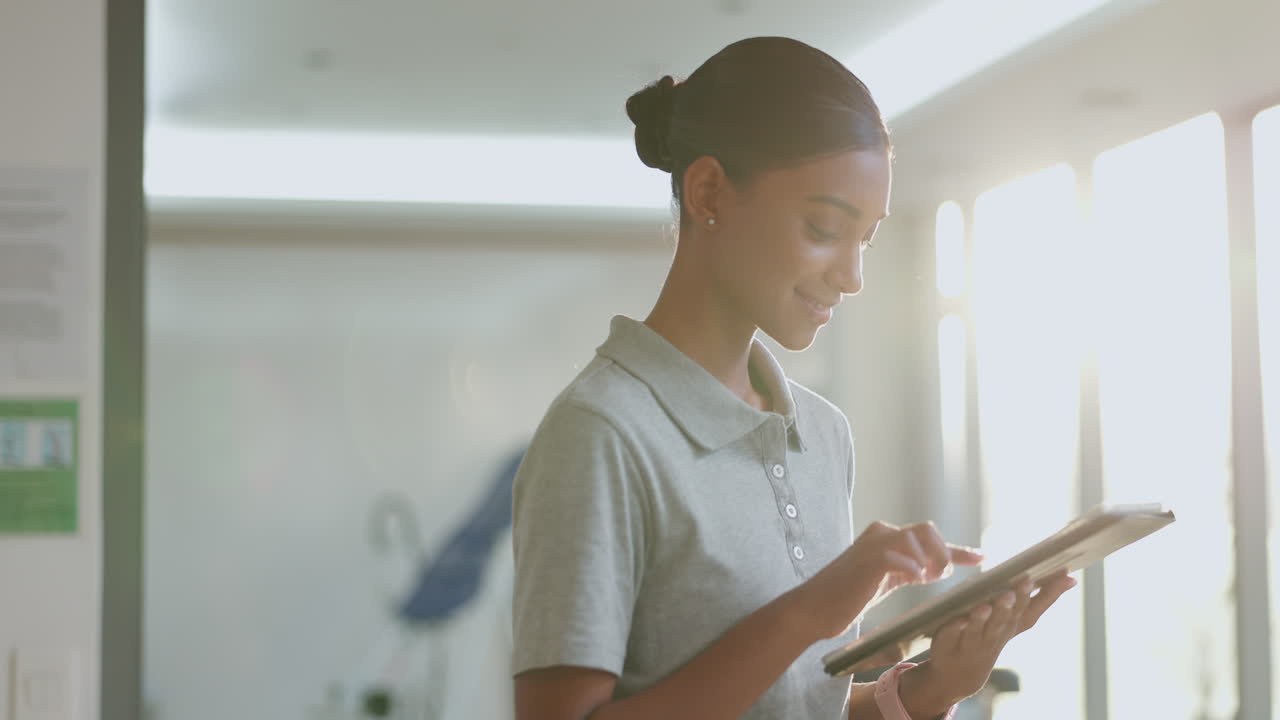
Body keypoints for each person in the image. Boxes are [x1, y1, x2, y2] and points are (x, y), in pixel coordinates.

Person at [510, 36, 1076, 720]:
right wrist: (810, 610)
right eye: (824, 227)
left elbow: (798, 706)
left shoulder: (822, 435)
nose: (853, 275)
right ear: (709, 191)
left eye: (864, 238)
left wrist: (933, 688)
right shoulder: (600, 434)